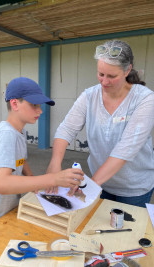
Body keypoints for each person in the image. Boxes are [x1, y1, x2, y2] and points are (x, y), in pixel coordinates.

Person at [47, 39, 154, 208]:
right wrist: (55, 162)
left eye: (112, 76)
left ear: (127, 70)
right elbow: (67, 128)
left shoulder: (144, 99)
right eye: (101, 74)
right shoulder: (90, 96)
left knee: (127, 231)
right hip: (102, 183)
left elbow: (126, 148)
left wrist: (91, 185)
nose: (104, 82)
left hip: (134, 188)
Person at [0, 77, 84, 230]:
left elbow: (21, 160)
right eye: (34, 105)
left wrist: (32, 180)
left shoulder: (20, 131)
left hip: (8, 210)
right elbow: (3, 184)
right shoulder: (6, 134)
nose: (40, 110)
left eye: (39, 105)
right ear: (14, 104)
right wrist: (52, 179)